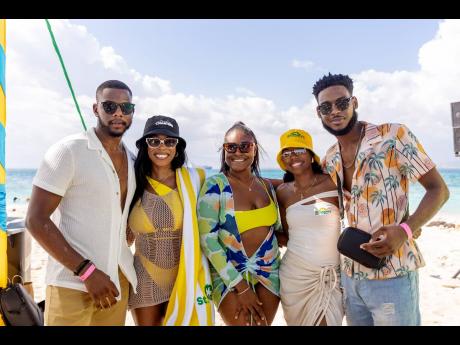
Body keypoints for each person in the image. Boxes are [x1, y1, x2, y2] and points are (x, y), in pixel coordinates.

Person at [313, 73, 450, 326]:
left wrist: (406, 229)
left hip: (393, 273)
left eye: (342, 103)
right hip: (350, 274)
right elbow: (330, 210)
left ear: (355, 102)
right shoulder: (329, 158)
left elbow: (439, 190)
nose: (335, 111)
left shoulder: (393, 136)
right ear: (318, 113)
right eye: (326, 107)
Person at [25, 80, 138, 326]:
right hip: (72, 282)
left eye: (126, 107)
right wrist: (86, 271)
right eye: (110, 106)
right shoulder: (68, 151)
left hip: (117, 281)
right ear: (96, 109)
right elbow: (35, 220)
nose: (118, 113)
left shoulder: (133, 160)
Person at [127, 115, 214, 326]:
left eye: (169, 141)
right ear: (145, 146)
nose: (162, 147)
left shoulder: (196, 180)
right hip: (145, 278)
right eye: (154, 141)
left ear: (177, 146)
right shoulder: (131, 181)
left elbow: (233, 186)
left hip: (186, 277)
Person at [197, 121, 282, 326]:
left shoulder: (267, 185)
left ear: (255, 150)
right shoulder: (215, 186)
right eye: (231, 147)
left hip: (269, 271)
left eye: (245, 146)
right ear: (224, 150)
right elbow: (208, 241)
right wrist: (241, 287)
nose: (238, 152)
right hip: (229, 274)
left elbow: (278, 229)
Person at [276, 129, 343, 326]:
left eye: (298, 150)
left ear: (311, 155)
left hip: (330, 274)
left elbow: (363, 207)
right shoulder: (283, 192)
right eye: (286, 153)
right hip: (295, 276)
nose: (293, 157)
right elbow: (288, 235)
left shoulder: (333, 182)